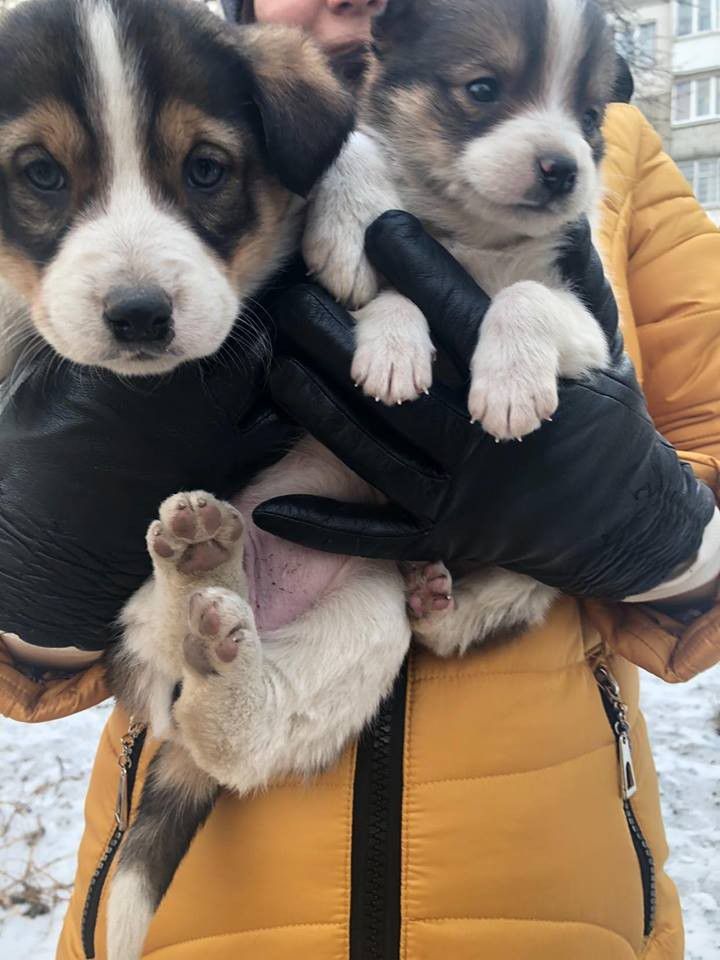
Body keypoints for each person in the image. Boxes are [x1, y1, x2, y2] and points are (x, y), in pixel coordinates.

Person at [0, 1, 718, 958]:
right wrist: (42, 562)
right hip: (215, 897)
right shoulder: (205, 103)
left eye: (206, 169)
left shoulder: (603, 157)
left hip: (545, 883)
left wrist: (650, 527)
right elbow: (37, 661)